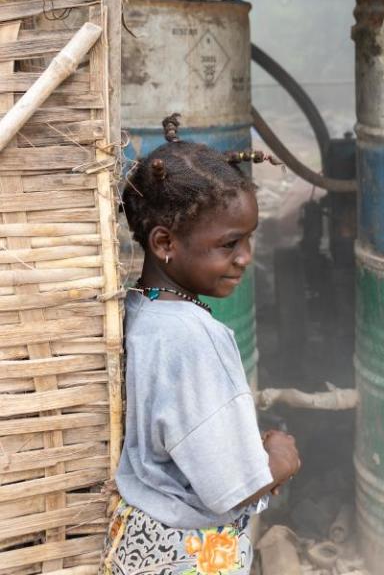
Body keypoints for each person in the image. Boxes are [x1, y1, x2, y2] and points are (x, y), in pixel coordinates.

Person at [100, 115, 300, 575]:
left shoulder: (139, 310)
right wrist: (278, 460)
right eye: (229, 243)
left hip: (141, 542)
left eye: (249, 239)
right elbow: (230, 485)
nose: (245, 257)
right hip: (187, 555)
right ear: (165, 242)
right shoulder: (193, 337)